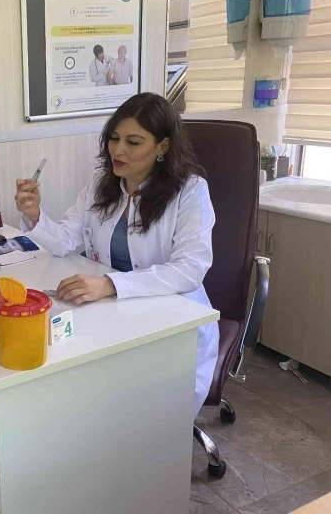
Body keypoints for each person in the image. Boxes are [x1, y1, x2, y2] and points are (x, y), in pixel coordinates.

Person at [14, 92, 219, 417]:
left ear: (163, 146)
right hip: (112, 315)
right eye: (114, 138)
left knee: (148, 418)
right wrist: (34, 214)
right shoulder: (102, 183)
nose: (118, 150)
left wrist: (110, 284)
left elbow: (189, 270)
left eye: (133, 142)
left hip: (173, 324)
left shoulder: (190, 191)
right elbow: (65, 240)